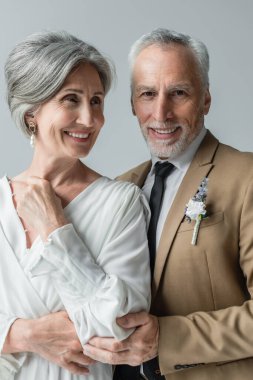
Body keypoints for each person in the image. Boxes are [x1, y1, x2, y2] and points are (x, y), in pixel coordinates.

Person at [81, 29, 253, 380]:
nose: (161, 112)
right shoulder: (119, 188)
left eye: (178, 93)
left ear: (205, 99)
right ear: (132, 104)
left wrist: (167, 337)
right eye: (147, 94)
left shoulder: (246, 177)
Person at [0, 31, 151, 380]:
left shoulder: (121, 202)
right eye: (71, 99)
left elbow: (121, 328)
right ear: (31, 112)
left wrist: (56, 230)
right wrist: (25, 334)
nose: (90, 119)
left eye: (96, 101)